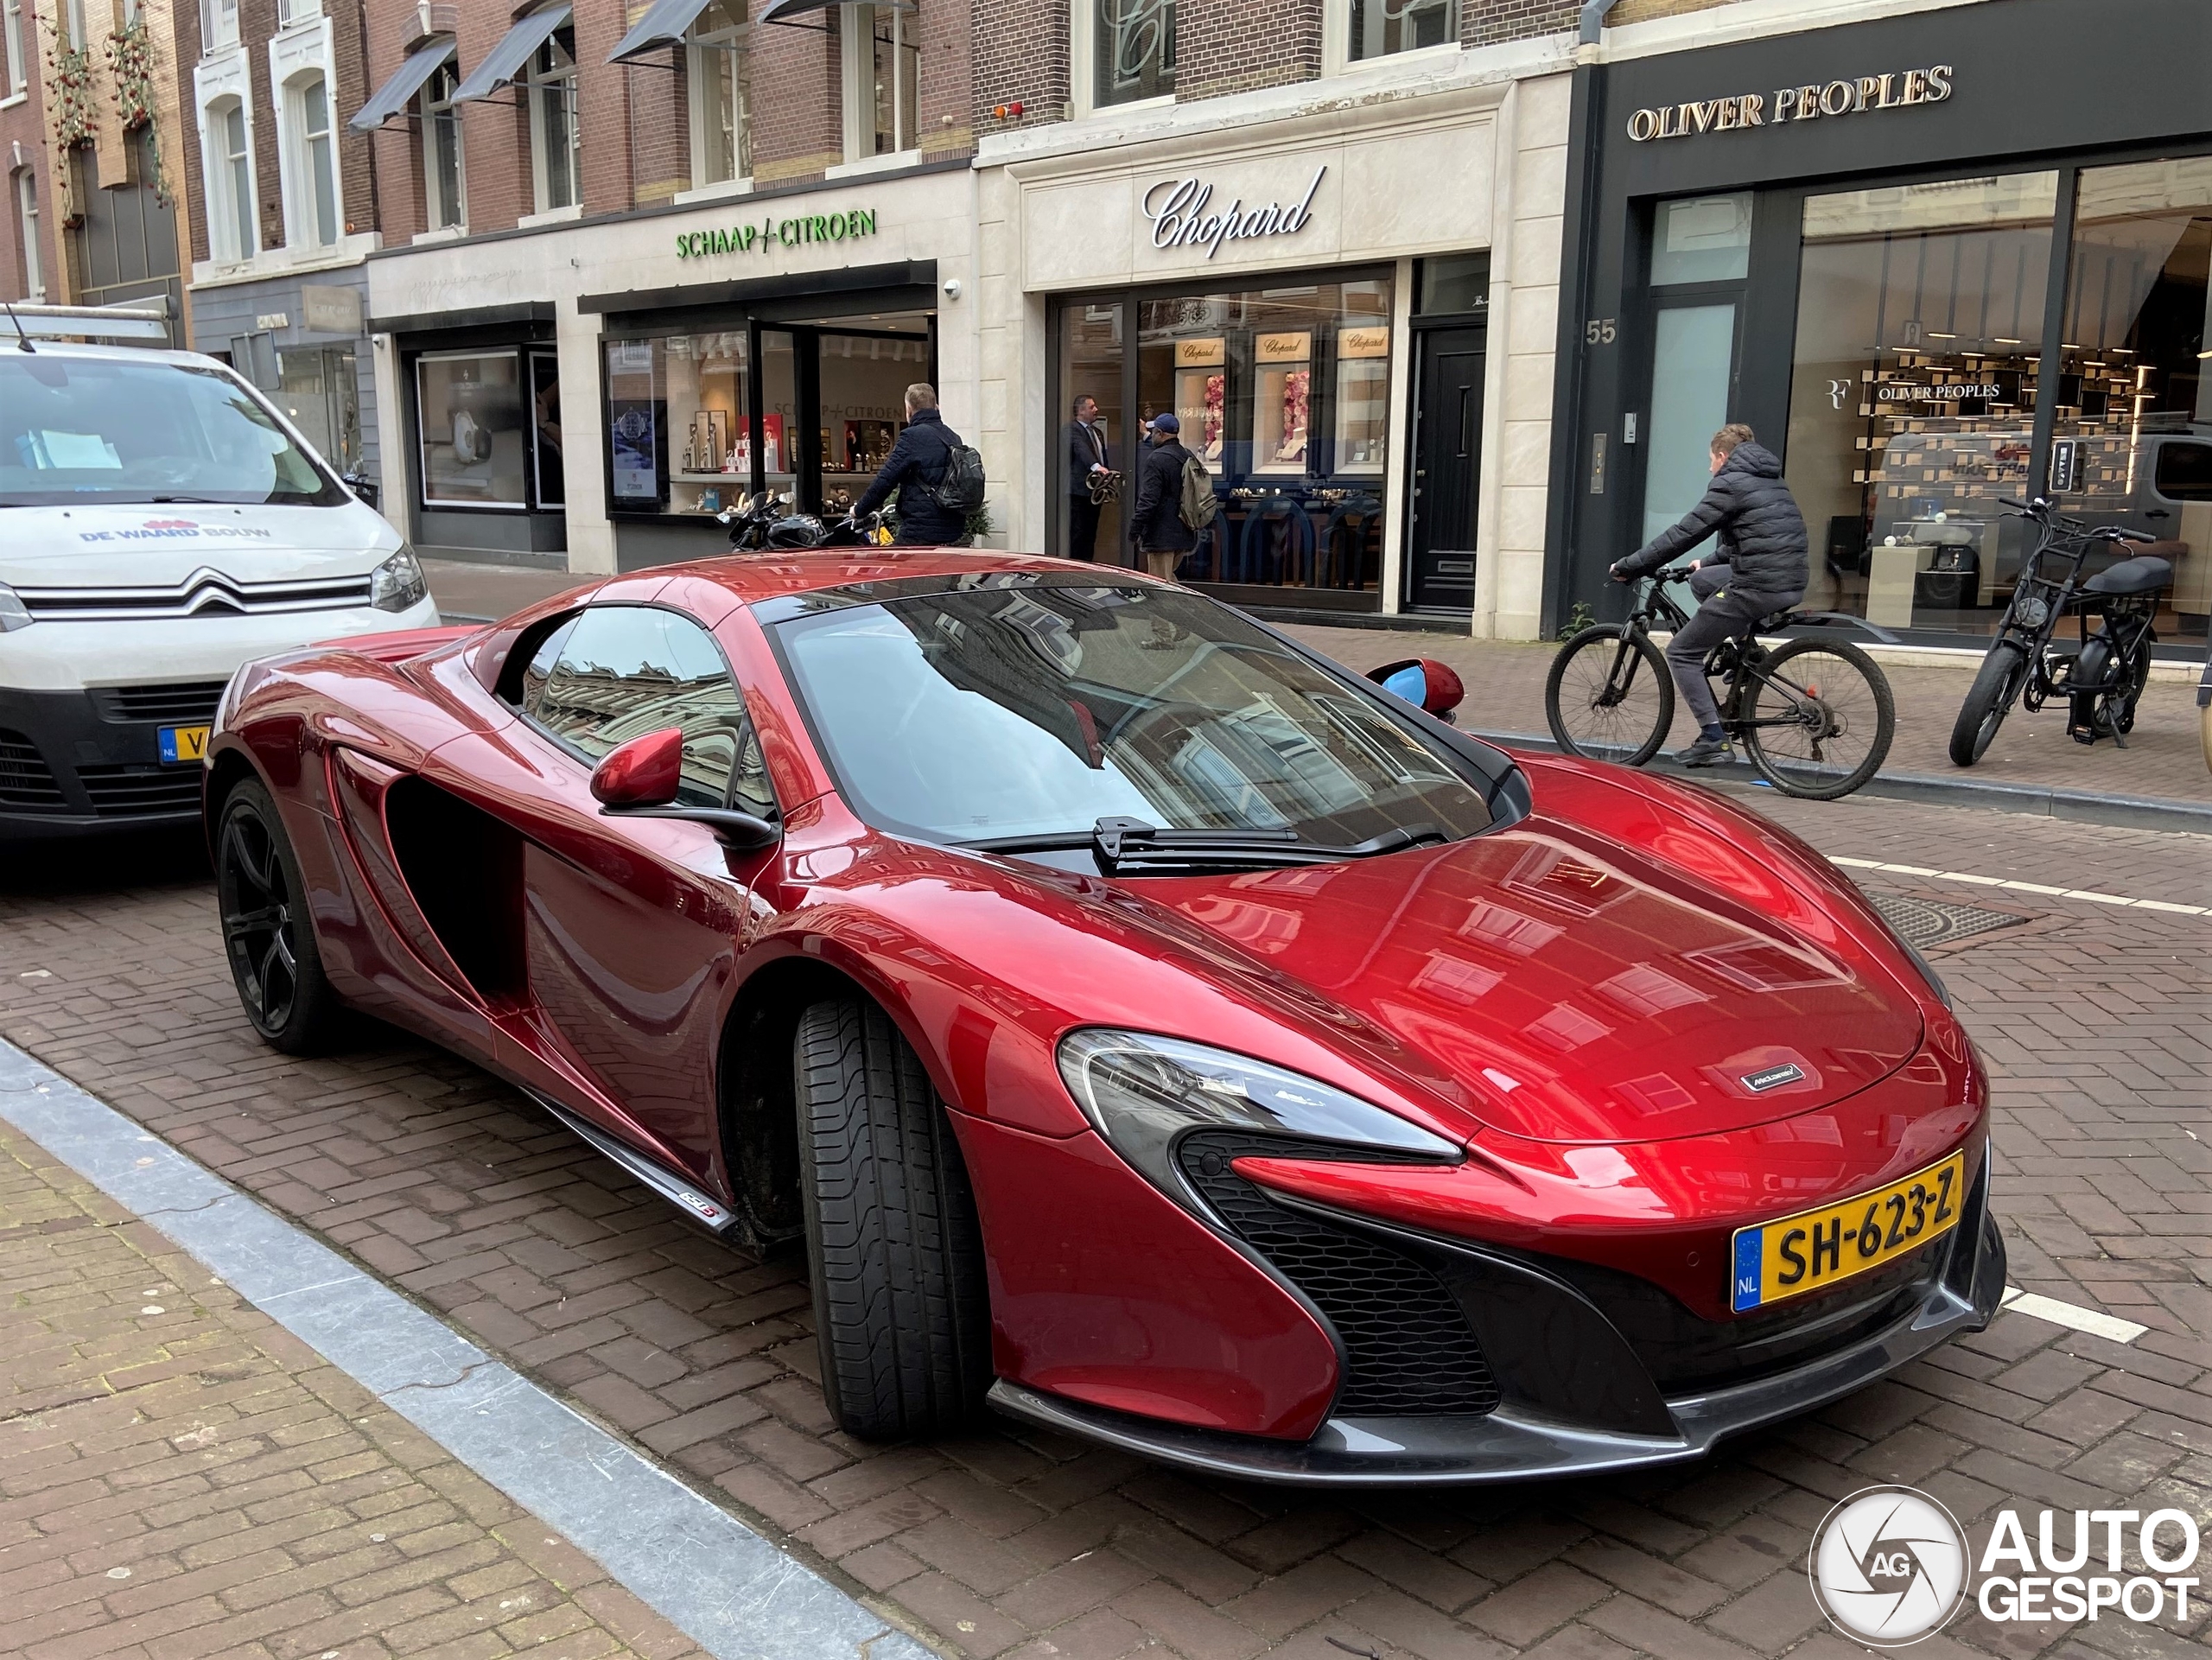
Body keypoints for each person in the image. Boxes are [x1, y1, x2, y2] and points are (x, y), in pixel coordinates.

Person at [1611, 423, 1808, 767]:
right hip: (1788, 578)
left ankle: (1714, 739)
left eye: (1710, 460)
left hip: (1756, 585)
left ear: (1721, 456)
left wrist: (1632, 565)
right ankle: (1744, 655)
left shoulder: (1730, 482)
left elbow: (1683, 533)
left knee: (1682, 652)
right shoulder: (1769, 479)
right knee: (1702, 580)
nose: (1709, 468)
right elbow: (1750, 541)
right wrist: (1707, 561)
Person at [855, 383, 969, 546]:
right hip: (953, 530)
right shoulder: (952, 437)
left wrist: (859, 510)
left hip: (921, 530)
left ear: (908, 409)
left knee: (895, 567)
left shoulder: (911, 437)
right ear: (936, 407)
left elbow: (885, 480)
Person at [1128, 411, 1195, 582]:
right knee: (1169, 580)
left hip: (1161, 535)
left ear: (1160, 433)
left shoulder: (1156, 460)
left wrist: (1135, 529)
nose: (1151, 435)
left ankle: (1180, 608)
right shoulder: (1187, 455)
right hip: (1183, 531)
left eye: (1153, 432)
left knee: (1160, 585)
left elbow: (1148, 500)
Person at [1064, 394, 1112, 563]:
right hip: (1078, 492)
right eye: (1092, 407)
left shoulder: (1097, 432)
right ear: (1081, 410)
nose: (1096, 410)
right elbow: (1081, 449)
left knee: (1091, 534)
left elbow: (1103, 457)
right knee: (1078, 534)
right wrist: (1097, 467)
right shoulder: (1072, 429)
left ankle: (1087, 565)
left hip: (1095, 492)